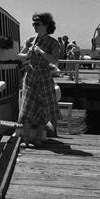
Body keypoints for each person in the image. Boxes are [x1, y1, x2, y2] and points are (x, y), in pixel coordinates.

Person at [16, 12, 61, 146]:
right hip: (30, 76)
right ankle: (26, 139)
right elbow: (19, 55)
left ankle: (38, 139)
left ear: (46, 25)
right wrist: (27, 54)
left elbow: (55, 61)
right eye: (33, 24)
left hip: (44, 76)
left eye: (37, 24)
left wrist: (41, 52)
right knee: (27, 108)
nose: (34, 26)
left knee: (42, 108)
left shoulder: (53, 42)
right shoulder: (30, 40)